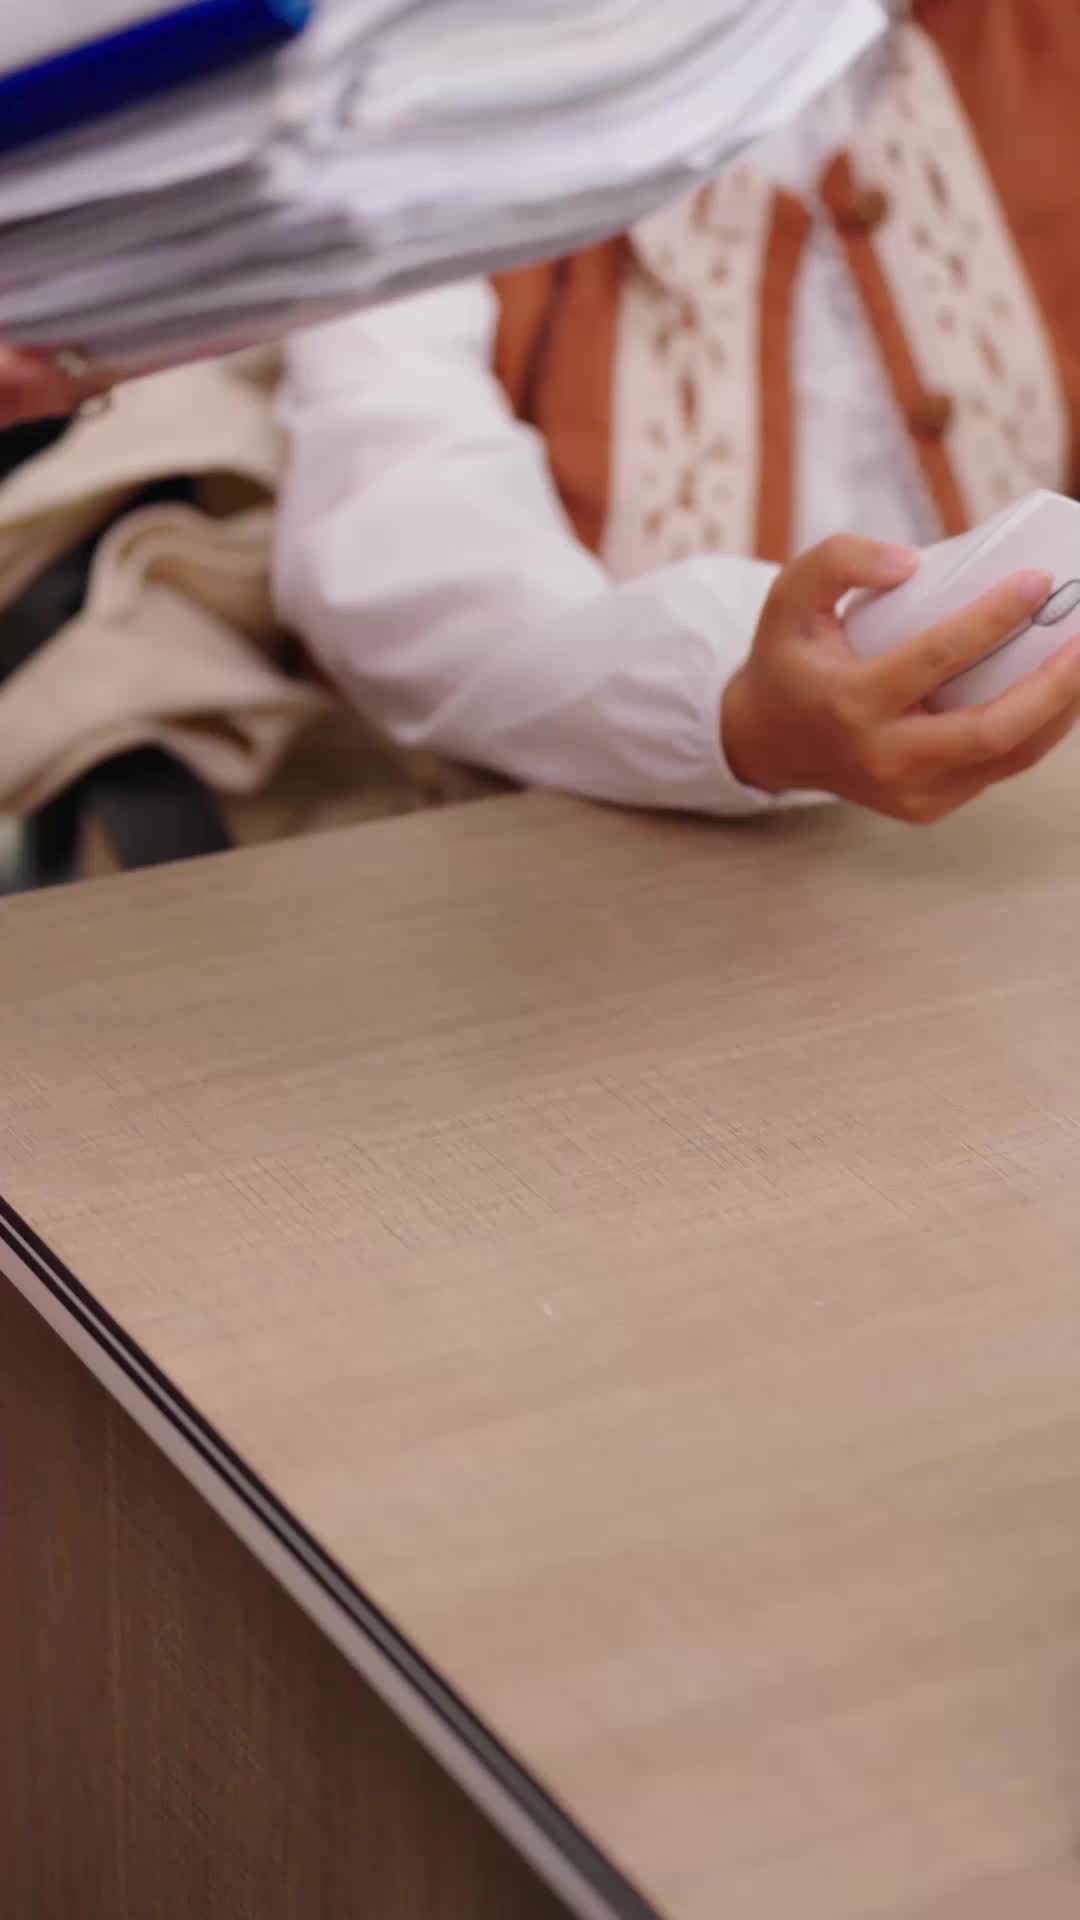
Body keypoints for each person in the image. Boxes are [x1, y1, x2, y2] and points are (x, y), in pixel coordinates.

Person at [272, 0, 1080, 825]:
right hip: (577, 833)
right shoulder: (419, 80)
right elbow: (394, 521)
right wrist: (732, 708)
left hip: (1018, 821)